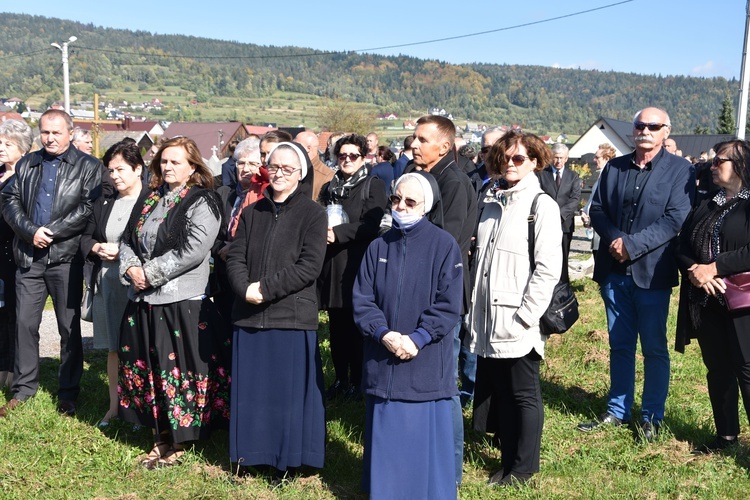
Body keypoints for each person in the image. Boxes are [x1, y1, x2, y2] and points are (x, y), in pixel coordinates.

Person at [578, 107, 695, 442]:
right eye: (640, 125)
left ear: (665, 131)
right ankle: (617, 411)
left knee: (654, 347)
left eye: (653, 126)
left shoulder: (680, 171)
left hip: (651, 273)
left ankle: (652, 417)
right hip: (614, 272)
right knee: (619, 344)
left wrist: (631, 245)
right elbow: (597, 207)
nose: (645, 130)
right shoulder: (615, 166)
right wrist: (616, 239)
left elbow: (675, 219)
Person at [117, 136, 229, 468]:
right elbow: (127, 239)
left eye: (175, 161)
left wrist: (149, 273)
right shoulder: (151, 198)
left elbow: (193, 250)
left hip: (181, 301)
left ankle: (179, 442)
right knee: (151, 370)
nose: (167, 167)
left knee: (176, 371)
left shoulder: (202, 201)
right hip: (143, 301)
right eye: (164, 161)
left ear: (193, 165)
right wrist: (131, 267)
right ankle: (159, 437)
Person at [353, 172, 463, 499]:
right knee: (387, 440)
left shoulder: (444, 246)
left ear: (426, 206)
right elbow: (362, 300)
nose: (400, 206)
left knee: (421, 443)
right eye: (396, 199)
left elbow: (448, 304)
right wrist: (383, 334)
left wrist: (417, 338)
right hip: (383, 355)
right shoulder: (377, 247)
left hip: (424, 360)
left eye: (410, 201)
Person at [466, 130, 562, 487]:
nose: (510, 163)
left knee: (523, 394)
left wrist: (525, 316)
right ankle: (507, 463)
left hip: (517, 319)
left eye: (519, 158)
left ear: (535, 162)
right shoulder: (492, 202)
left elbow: (548, 269)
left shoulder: (541, 206)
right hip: (488, 316)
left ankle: (523, 469)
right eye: (505, 157)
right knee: (502, 394)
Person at [226, 142, 327, 474]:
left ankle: (288, 460)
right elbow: (235, 256)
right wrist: (245, 289)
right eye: (274, 167)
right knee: (252, 396)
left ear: (300, 174)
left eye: (288, 169)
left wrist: (265, 289)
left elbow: (308, 266)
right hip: (250, 314)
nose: (279, 174)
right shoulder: (253, 212)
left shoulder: (313, 213)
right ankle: (250, 457)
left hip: (291, 316)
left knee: (286, 396)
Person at [1, 109, 102, 418]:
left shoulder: (88, 166)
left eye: (57, 132)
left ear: (70, 133)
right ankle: (24, 388)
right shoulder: (28, 163)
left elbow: (88, 206)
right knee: (25, 324)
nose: (50, 138)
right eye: (45, 132)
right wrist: (31, 232)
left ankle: (68, 392)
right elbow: (9, 200)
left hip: (66, 259)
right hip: (29, 257)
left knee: (68, 328)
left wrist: (52, 233)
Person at [411, 114, 477, 485]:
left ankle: (449, 468)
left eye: (423, 139)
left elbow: (445, 243)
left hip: (442, 295)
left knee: (444, 382)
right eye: (414, 138)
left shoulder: (452, 183)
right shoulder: (424, 177)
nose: (415, 144)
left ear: (445, 146)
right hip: (420, 289)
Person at [676, 139, 750, 453]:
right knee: (718, 369)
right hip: (707, 301)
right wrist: (694, 270)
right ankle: (726, 437)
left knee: (747, 369)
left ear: (741, 166)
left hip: (744, 302)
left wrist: (715, 268)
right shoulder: (708, 202)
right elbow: (681, 245)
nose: (712, 165)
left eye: (720, 160)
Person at [80, 140, 149, 427]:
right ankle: (114, 407)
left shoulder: (150, 202)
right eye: (110, 170)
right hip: (107, 281)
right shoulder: (106, 202)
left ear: (138, 169)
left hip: (137, 283)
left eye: (120, 169)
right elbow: (85, 236)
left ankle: (140, 409)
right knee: (113, 348)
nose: (114, 176)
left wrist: (125, 255)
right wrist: (96, 248)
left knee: (139, 347)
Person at [317, 134, 386, 400]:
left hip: (357, 264)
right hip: (331, 265)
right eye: (342, 155)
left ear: (363, 157)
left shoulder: (373, 185)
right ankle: (340, 379)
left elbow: (372, 223)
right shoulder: (329, 187)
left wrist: (340, 234)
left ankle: (359, 381)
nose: (346, 160)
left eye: (352, 156)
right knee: (336, 327)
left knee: (357, 328)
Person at [213, 137, 268, 324]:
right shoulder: (222, 194)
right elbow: (212, 233)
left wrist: (235, 248)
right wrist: (222, 247)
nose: (245, 169)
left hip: (250, 276)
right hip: (223, 273)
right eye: (241, 163)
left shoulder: (264, 197)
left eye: (253, 164)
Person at [0, 119, 34, 389]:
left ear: (22, 149)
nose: (1, 148)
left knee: (12, 314)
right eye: (0, 142)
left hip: (12, 254)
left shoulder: (25, 178)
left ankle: (11, 371)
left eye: (7, 144)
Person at [538, 142, 581, 283]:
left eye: (562, 158)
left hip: (565, 224)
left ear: (567, 158)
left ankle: (563, 285)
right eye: (556, 157)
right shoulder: (541, 174)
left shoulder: (573, 176)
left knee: (563, 255)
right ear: (551, 157)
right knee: (544, 256)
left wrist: (558, 215)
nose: (559, 161)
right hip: (545, 223)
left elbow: (575, 199)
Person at [581, 143, 617, 258]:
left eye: (597, 157)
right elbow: (593, 197)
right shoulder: (601, 176)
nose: (594, 159)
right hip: (594, 223)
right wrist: (585, 210)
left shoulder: (610, 177)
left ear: (606, 158)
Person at [295, 129, 334, 201]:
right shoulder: (293, 169)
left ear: (308, 148)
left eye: (297, 145)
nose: (293, 148)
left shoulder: (327, 176)